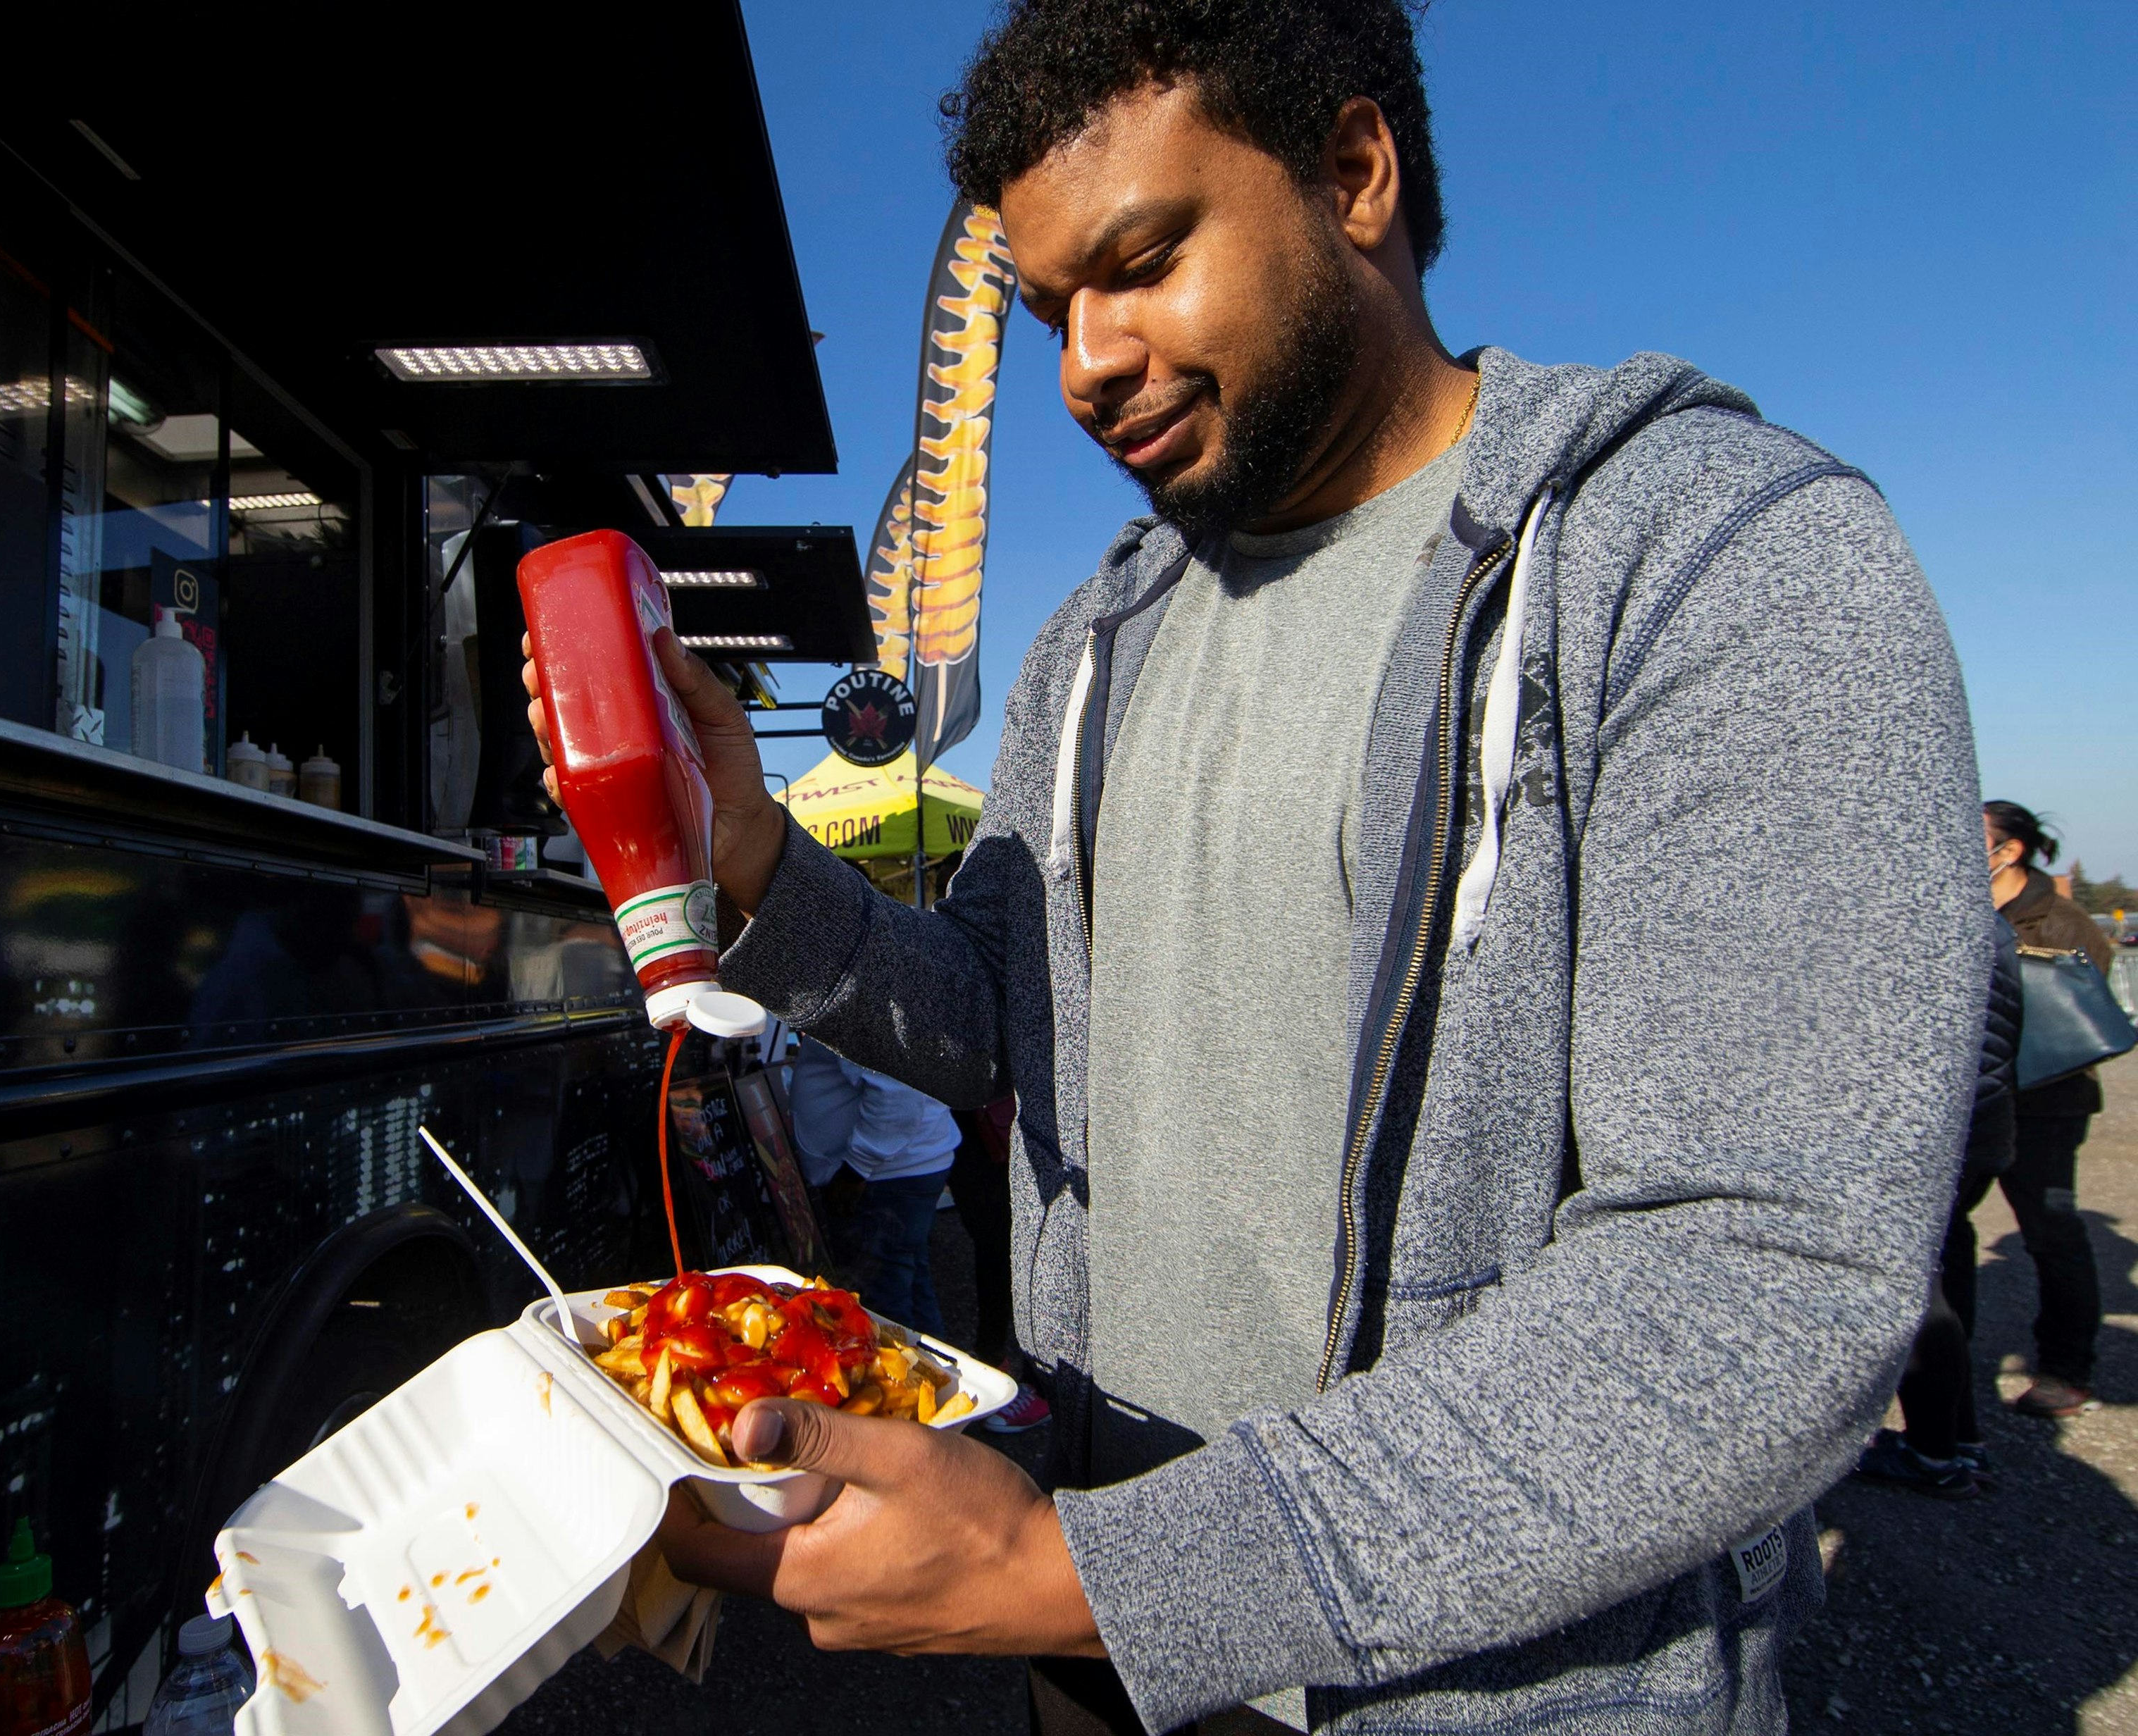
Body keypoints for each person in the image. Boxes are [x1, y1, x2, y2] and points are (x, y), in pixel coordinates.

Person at [523, 1, 1986, 1728]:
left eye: (1140, 263)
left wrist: (1091, 1577)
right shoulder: (1094, 642)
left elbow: (1763, 1280)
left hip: (1487, 1684)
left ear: (1353, 175)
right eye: (1051, 306)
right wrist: (752, 854)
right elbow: (1004, 1024)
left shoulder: (1711, 563)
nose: (1083, 360)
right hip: (1099, 1633)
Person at [1858, 913, 2019, 1497]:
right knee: (1934, 1283)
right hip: (1972, 1126)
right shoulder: (1984, 919)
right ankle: (1958, 1439)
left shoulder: (1927, 913)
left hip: (1927, 1133)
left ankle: (1933, 1452)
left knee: (1914, 1290)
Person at [1985, 799, 2117, 1419]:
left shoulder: (2059, 920)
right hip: (1981, 1098)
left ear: (2008, 850)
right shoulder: (1962, 912)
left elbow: (2082, 1006)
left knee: (2051, 1236)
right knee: (1939, 1234)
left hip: (2046, 1103)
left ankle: (2067, 1368)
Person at [788, 1032, 959, 1335]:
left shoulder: (862, 995)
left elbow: (898, 1098)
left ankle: (917, 1378)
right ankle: (944, 1373)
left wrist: (856, 1169)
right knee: (911, 1290)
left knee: (883, 1314)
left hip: (885, 1178)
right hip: (899, 1171)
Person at [950, 1094, 1055, 1433]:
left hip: (1012, 1122)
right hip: (977, 1127)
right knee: (997, 1245)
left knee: (1019, 1247)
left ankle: (1046, 1388)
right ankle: (998, 1357)